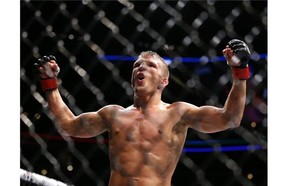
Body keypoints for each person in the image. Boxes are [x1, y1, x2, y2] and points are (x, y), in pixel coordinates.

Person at [35, 39, 250, 186]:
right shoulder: (113, 114)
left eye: (150, 66)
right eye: (137, 65)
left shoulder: (178, 113)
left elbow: (230, 118)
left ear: (164, 81)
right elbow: (69, 125)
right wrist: (50, 83)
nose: (141, 68)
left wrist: (239, 72)